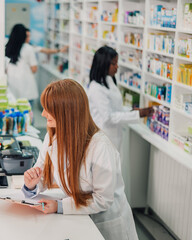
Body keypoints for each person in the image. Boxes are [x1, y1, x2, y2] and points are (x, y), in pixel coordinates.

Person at [22, 79, 138, 240]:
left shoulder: (100, 146)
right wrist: (31, 185)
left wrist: (60, 206)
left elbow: (102, 199)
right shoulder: (52, 135)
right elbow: (41, 174)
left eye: (48, 109)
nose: (43, 114)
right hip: (77, 219)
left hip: (105, 223)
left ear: (66, 112)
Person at [87, 46, 153, 151]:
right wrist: (137, 114)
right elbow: (108, 117)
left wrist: (132, 110)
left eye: (117, 63)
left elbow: (115, 107)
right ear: (103, 64)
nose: (117, 67)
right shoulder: (96, 88)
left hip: (113, 137)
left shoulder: (109, 81)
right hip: (102, 139)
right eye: (113, 64)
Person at [5, 24, 67, 106]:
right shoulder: (28, 48)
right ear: (23, 36)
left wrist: (58, 50)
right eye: (27, 36)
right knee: (27, 114)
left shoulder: (7, 46)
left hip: (12, 85)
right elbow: (34, 69)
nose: (28, 39)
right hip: (26, 87)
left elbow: (43, 50)